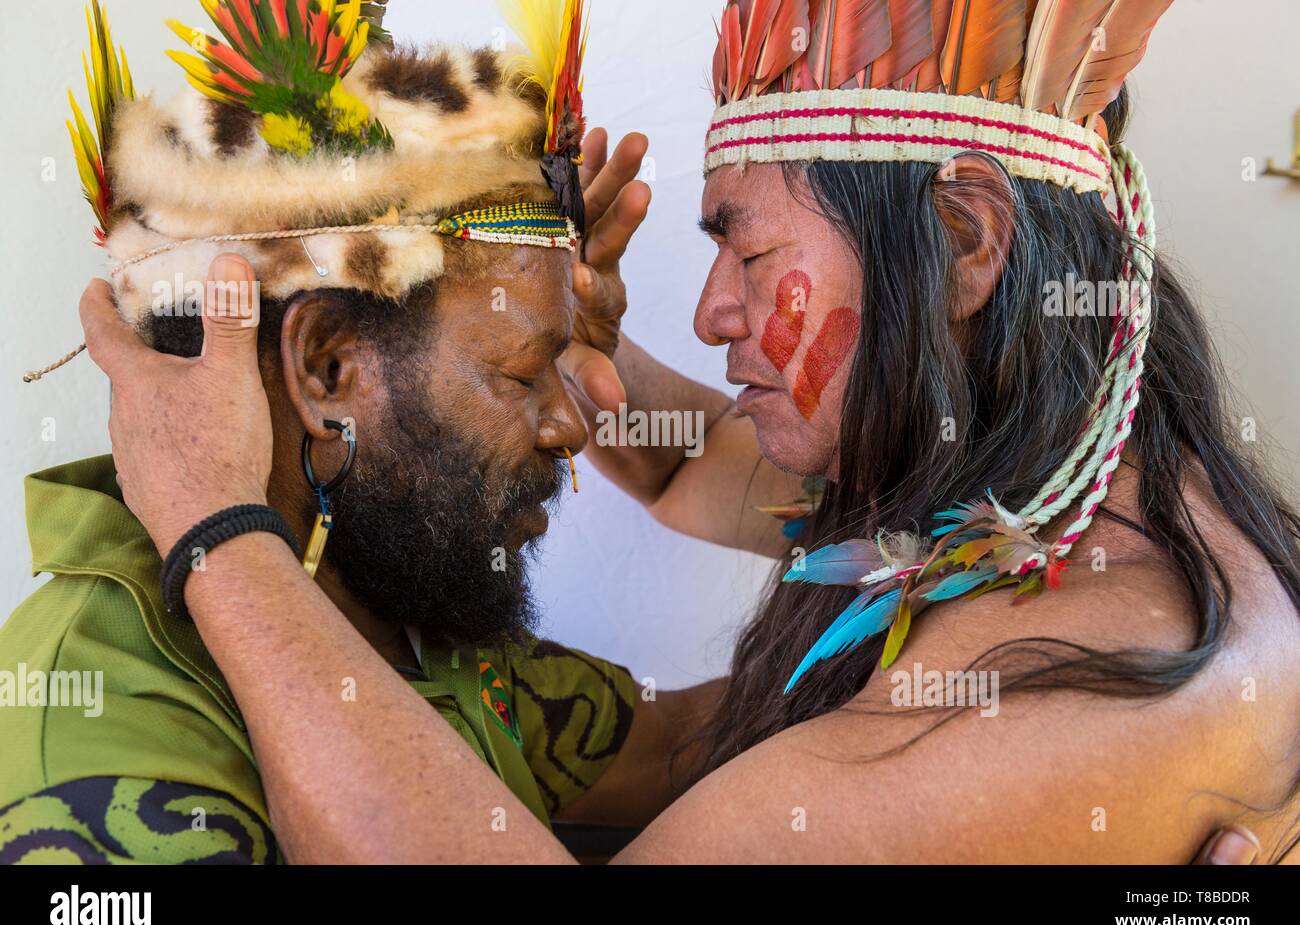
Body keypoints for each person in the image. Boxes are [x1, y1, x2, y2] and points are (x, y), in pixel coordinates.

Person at [69, 1, 1299, 863]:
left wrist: (216, 525)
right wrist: (566, 337)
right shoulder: (1019, 505)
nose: (711, 311)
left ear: (966, 242)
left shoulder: (1100, 663)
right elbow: (683, 466)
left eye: (749, 251)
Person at [0, 0, 683, 864]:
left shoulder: (395, 599)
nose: (570, 425)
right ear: (326, 371)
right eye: (521, 372)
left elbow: (686, 743)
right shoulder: (100, 722)